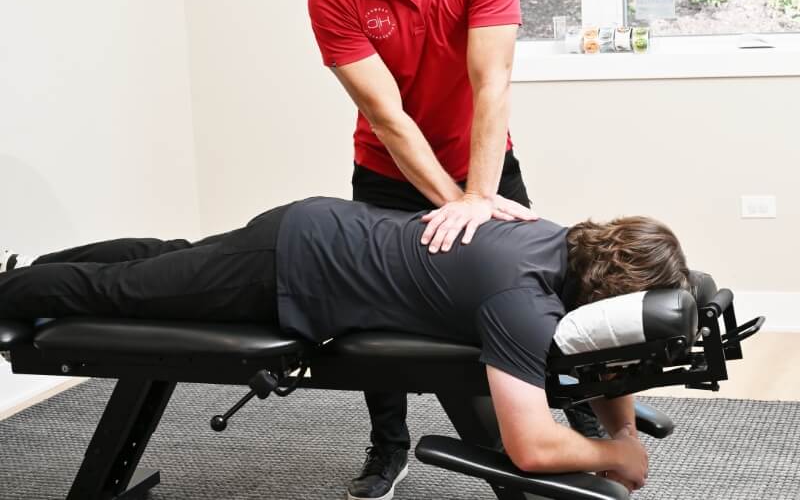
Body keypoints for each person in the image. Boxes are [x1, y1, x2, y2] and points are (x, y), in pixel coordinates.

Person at [0, 196, 690, 493]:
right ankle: (14, 292)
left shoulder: (562, 239)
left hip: (315, 229)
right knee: (127, 294)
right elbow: (532, 447)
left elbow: (598, 349)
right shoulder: (522, 303)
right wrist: (614, 453)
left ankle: (32, 272)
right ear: (604, 298)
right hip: (288, 270)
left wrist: (620, 420)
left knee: (160, 262)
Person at [307, 0, 581, 497]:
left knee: (531, 288)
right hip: (385, 170)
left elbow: (493, 85)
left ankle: (568, 415)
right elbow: (389, 117)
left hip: (484, 163)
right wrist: (453, 202)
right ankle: (389, 445)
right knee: (372, 313)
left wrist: (477, 198)